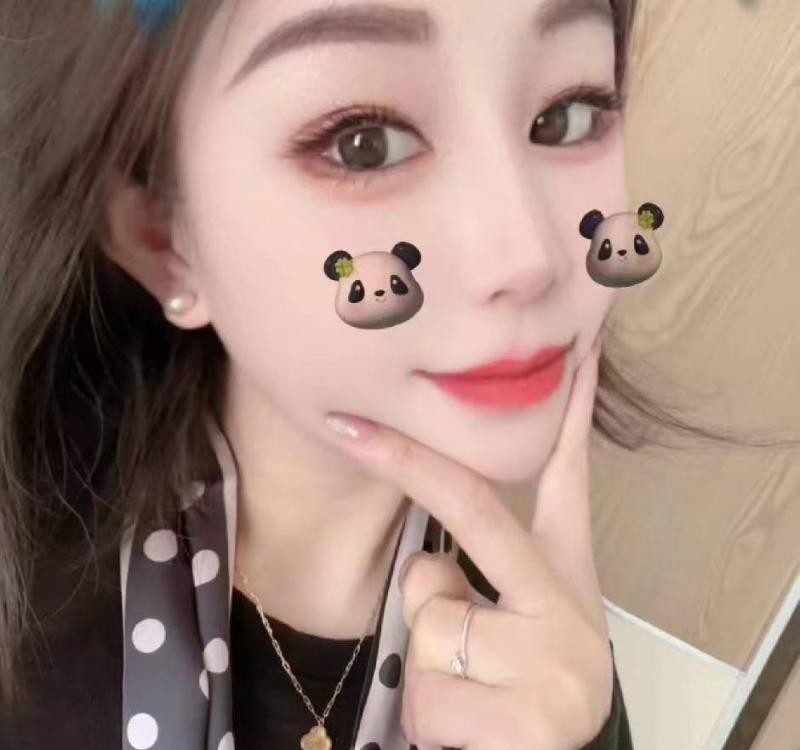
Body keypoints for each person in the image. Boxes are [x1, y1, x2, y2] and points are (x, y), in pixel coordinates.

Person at [0, 0, 687, 747]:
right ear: (164, 237)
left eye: (568, 116)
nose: (530, 257)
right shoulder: (31, 604)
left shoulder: (544, 684)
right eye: (365, 145)